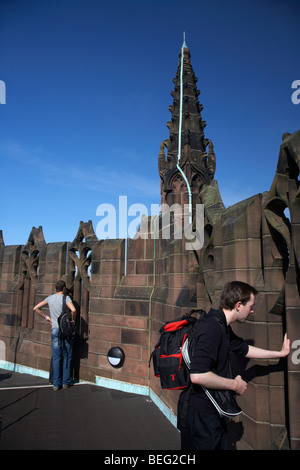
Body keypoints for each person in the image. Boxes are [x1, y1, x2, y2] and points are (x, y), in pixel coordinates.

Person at [179, 280, 290, 450]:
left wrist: (279, 354)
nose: (252, 311)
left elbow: (243, 349)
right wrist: (234, 385)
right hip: (201, 416)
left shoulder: (221, 324)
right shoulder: (212, 328)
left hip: (211, 413)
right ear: (239, 305)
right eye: (250, 306)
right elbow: (198, 375)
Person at [33, 280, 76, 391]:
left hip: (55, 330)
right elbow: (73, 309)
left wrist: (48, 319)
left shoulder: (50, 298)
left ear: (55, 288)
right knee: (67, 355)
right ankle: (65, 382)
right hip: (65, 331)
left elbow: (36, 308)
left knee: (56, 357)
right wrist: (73, 320)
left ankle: (56, 384)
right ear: (64, 288)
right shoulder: (66, 298)